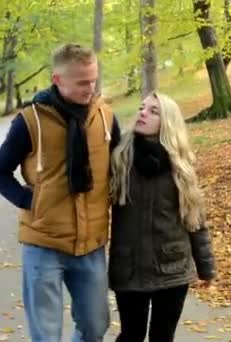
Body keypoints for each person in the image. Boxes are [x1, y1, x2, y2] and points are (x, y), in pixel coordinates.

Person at [0, 43, 120, 341]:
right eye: (82, 82)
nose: (90, 88)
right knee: (47, 334)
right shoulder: (31, 121)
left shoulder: (104, 115)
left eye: (93, 79)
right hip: (43, 245)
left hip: (91, 245)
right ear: (57, 80)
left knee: (95, 326)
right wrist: (29, 200)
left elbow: (122, 163)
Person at [109, 92, 215, 342]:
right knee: (131, 335)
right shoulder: (119, 158)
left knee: (163, 336)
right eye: (142, 108)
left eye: (153, 111)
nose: (143, 113)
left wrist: (206, 268)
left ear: (168, 122)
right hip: (129, 269)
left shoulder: (181, 166)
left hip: (173, 269)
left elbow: (196, 220)